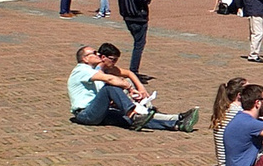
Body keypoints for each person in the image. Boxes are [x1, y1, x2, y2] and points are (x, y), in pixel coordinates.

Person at [66, 44, 196, 132]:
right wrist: (129, 88)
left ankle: (177, 125)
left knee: (128, 120)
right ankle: (133, 113)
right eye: (94, 53)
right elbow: (110, 80)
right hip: (85, 114)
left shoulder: (93, 71)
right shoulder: (82, 69)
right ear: (85, 58)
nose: (98, 54)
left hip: (97, 111)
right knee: (110, 88)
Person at [116, 0, 153, 77]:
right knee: (139, 44)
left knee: (137, 42)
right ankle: (134, 71)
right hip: (137, 15)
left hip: (127, 14)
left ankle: (134, 71)